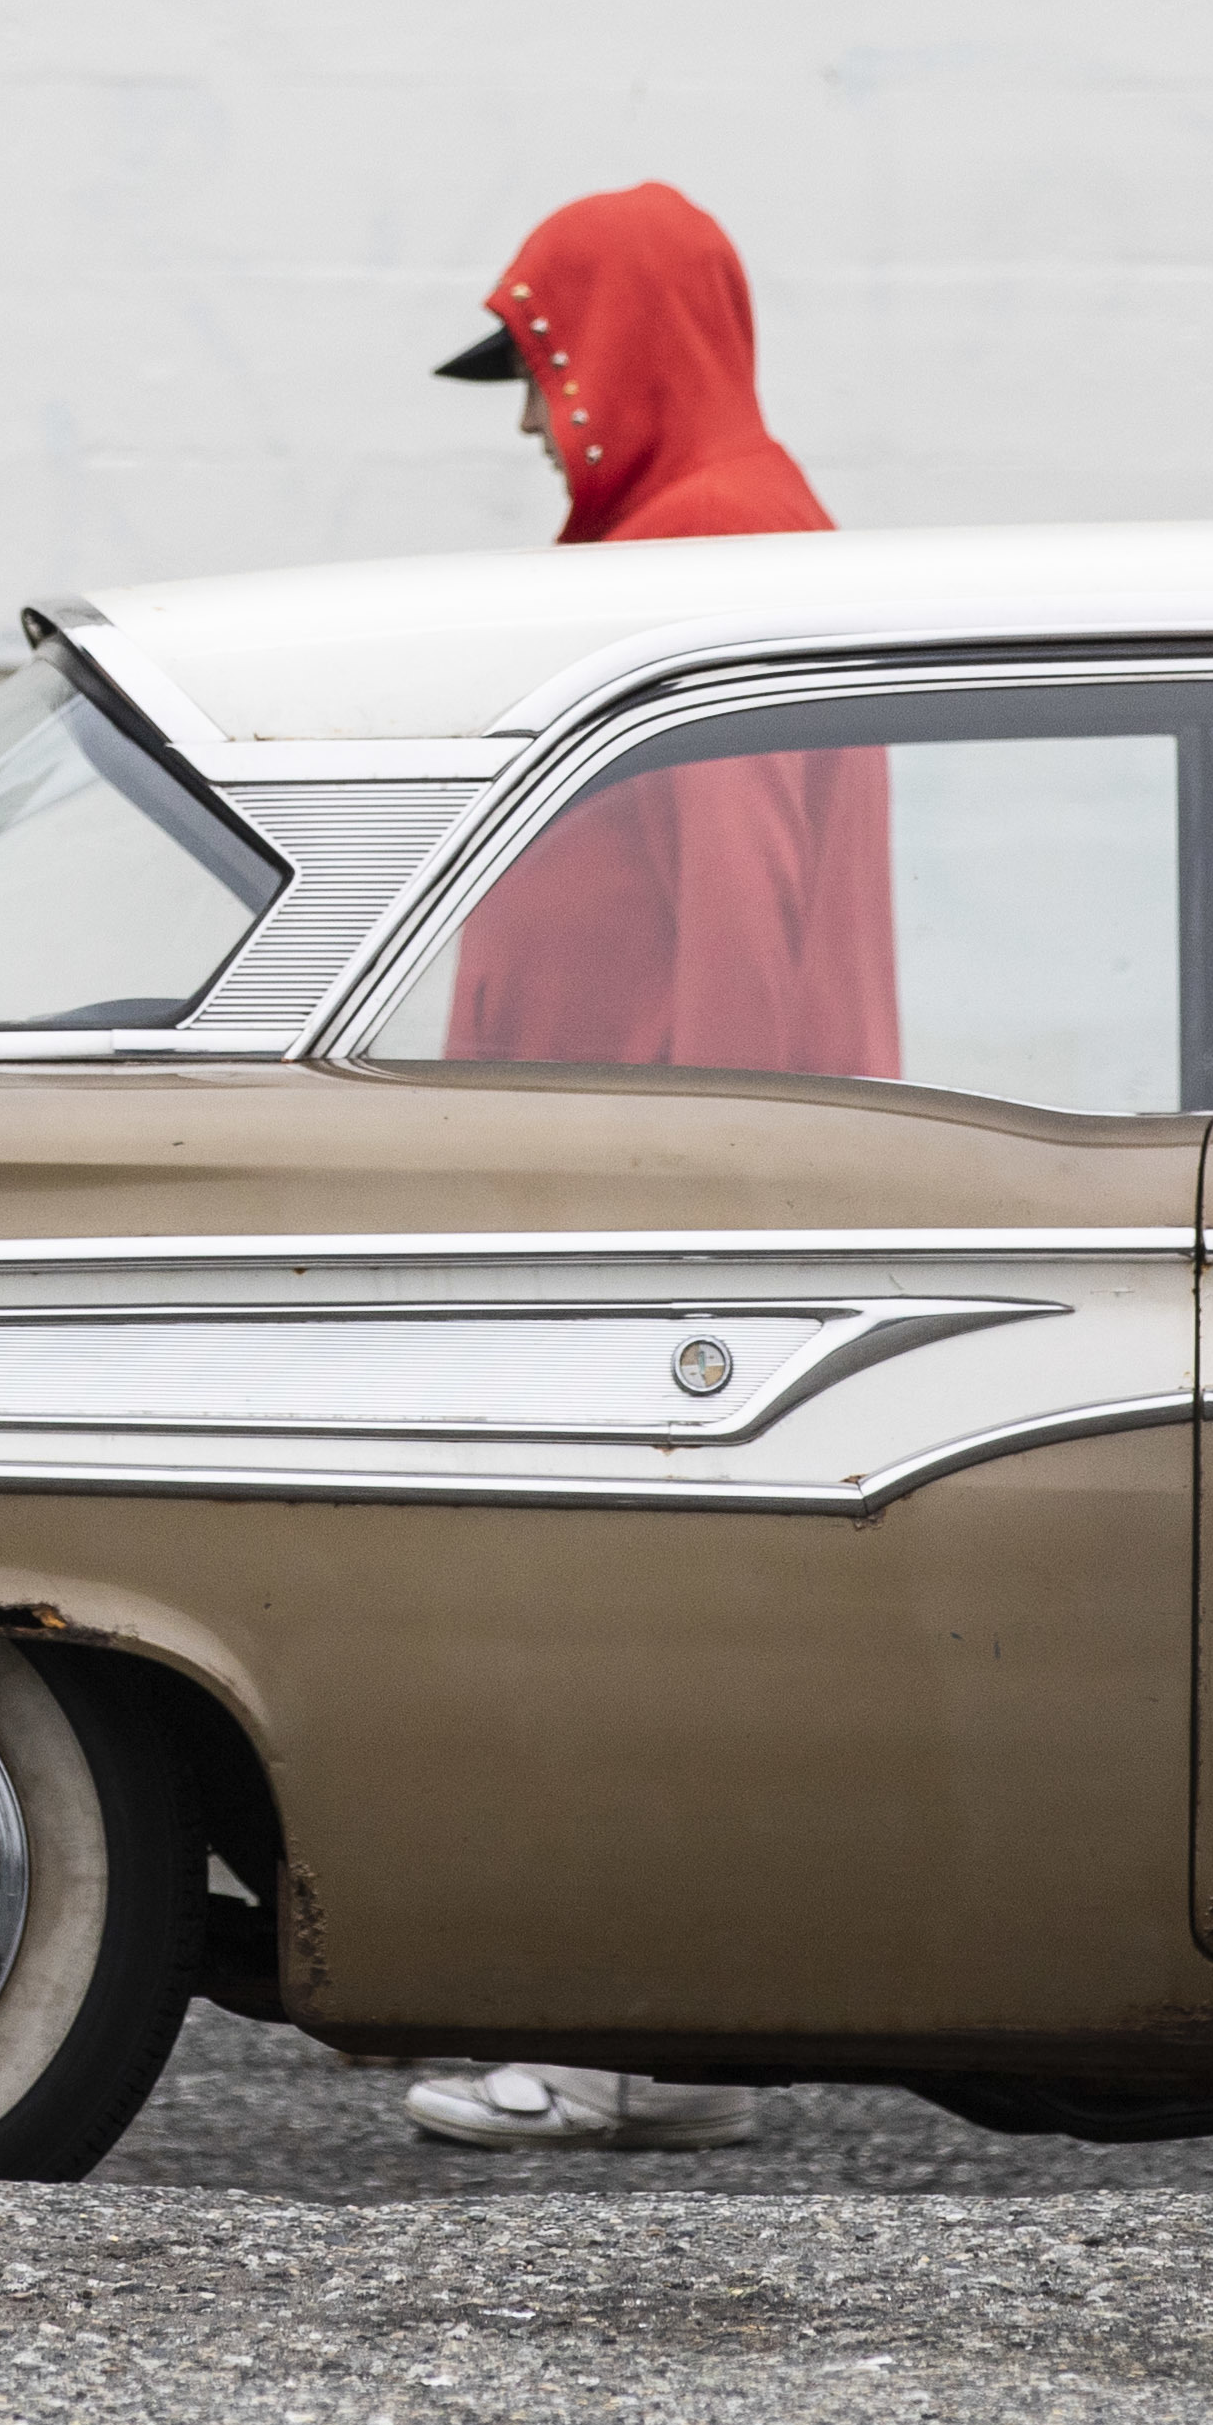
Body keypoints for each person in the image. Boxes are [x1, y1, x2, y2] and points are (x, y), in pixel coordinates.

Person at [396, 181, 876, 2157]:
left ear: (622, 352)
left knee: (604, 1603)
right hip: (673, 1163)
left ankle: (599, 2021)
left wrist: (684, 1191)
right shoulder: (737, 527)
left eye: (540, 369)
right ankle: (662, 2023)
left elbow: (742, 904)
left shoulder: (707, 551)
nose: (526, 419)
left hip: (655, 1183)